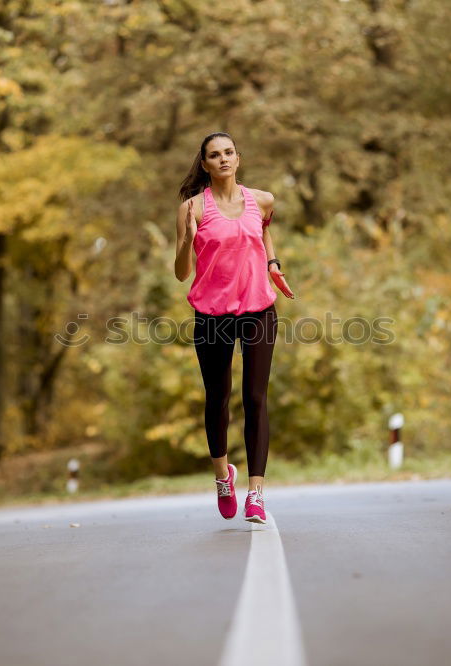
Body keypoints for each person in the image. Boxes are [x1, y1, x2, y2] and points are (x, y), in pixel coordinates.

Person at [174, 131, 296, 525]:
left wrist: (273, 265)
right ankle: (223, 477)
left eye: (229, 153)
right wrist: (187, 242)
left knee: (256, 398)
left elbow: (262, 232)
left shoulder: (262, 200)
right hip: (211, 313)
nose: (223, 159)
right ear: (205, 163)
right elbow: (181, 274)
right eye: (215, 155)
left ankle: (256, 494)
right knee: (217, 397)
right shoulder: (191, 209)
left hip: (258, 307)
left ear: (238, 158)